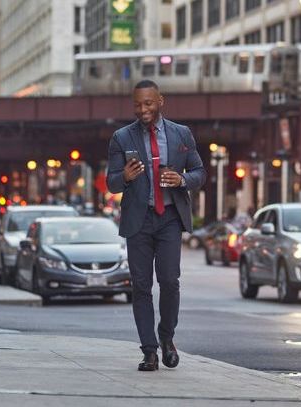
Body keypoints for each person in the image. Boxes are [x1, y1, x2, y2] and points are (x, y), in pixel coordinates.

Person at [107, 80, 206, 371]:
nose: (143, 109)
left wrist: (183, 180)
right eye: (137, 104)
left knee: (169, 282)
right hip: (139, 220)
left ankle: (167, 338)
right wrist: (124, 176)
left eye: (148, 103)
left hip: (169, 219)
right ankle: (149, 350)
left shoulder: (181, 134)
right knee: (140, 287)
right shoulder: (121, 137)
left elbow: (200, 171)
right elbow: (112, 182)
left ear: (160, 101)